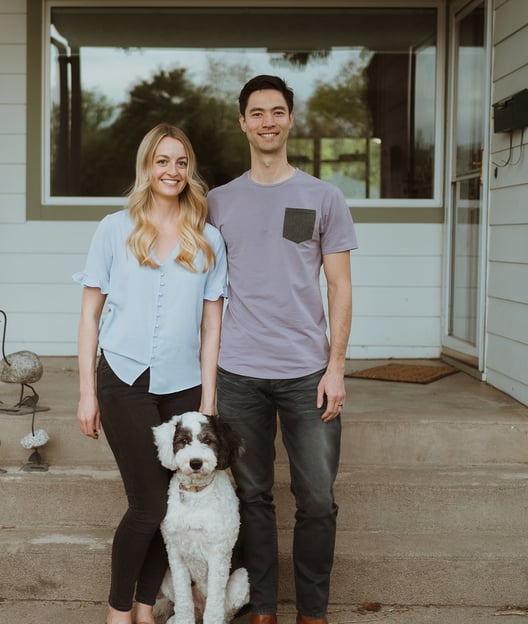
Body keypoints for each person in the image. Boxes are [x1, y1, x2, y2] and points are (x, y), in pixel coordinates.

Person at [207, 75, 358, 624]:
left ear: (290, 119)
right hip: (240, 373)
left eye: (277, 111)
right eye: (257, 112)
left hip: (307, 374)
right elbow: (204, 290)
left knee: (316, 499)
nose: (268, 121)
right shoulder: (219, 202)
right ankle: (264, 607)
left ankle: (312, 612)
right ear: (242, 122)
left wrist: (336, 368)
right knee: (253, 496)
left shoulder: (323, 197)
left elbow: (339, 287)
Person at [73, 123, 227, 624]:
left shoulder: (208, 238)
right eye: (163, 161)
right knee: (148, 505)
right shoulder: (114, 229)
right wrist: (86, 395)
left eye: (181, 162)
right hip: (122, 378)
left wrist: (207, 400)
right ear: (147, 166)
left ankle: (145, 609)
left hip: (182, 387)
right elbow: (90, 317)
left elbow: (210, 327)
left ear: (190, 171)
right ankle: (119, 612)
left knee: (171, 507)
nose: (172, 171)